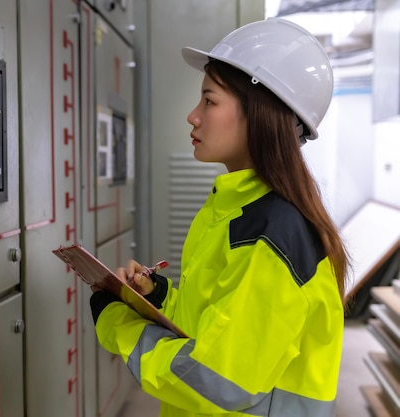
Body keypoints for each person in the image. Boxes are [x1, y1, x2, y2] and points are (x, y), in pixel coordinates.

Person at [89, 18, 349, 417]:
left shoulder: (273, 236)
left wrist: (118, 322)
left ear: (261, 114)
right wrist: (158, 300)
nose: (193, 116)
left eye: (209, 101)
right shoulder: (235, 211)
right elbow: (215, 326)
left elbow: (216, 380)